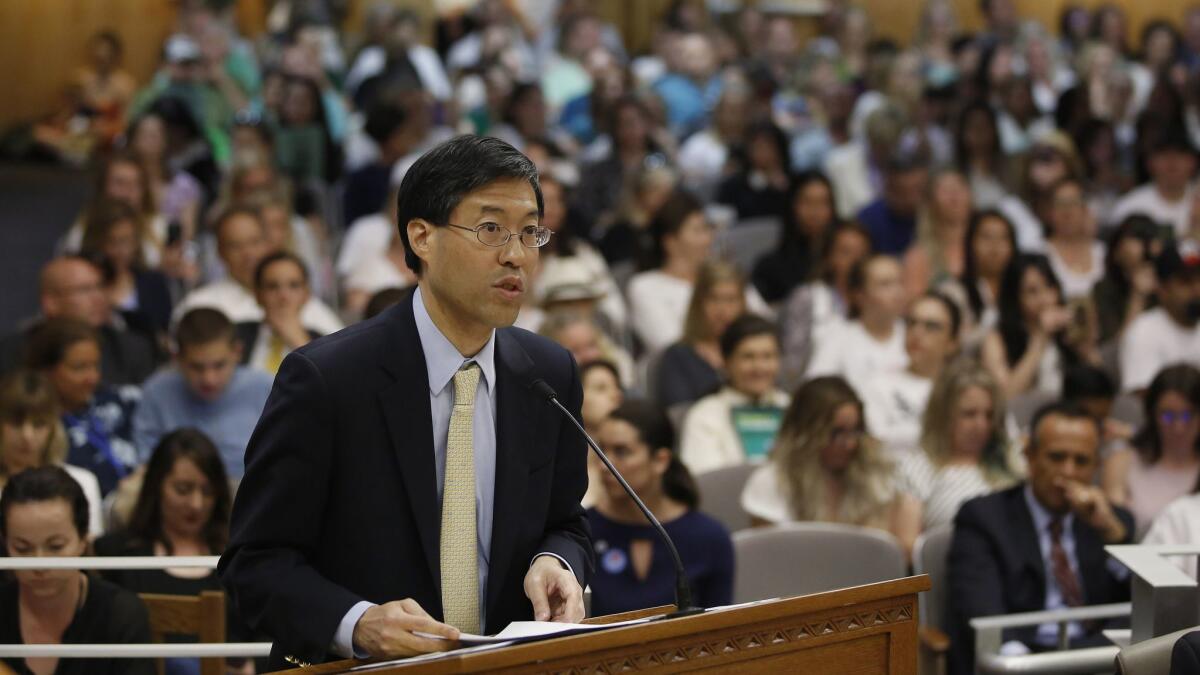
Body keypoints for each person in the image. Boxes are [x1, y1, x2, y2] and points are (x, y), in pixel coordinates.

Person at [219, 135, 592, 669]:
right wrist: (357, 623)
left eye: (530, 232)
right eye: (490, 229)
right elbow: (255, 563)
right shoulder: (327, 379)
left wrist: (559, 561)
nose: (516, 255)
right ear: (421, 236)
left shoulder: (548, 373)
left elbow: (567, 522)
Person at [946, 402, 1134, 674]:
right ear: (1030, 456)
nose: (1068, 472)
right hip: (1022, 657)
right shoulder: (984, 518)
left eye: (1081, 461)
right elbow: (982, 612)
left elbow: (1140, 609)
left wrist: (1111, 533)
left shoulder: (1113, 521)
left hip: (1095, 659)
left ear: (1097, 465)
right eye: (1057, 457)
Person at [95, 429, 241, 675]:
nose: (196, 504)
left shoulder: (238, 559)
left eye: (207, 492)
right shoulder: (116, 555)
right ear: (156, 486)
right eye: (183, 490)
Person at [0, 466, 154, 675]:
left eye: (55, 546)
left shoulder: (121, 615)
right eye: (22, 548)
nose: (39, 564)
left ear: (83, 540)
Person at [588, 400, 733, 615]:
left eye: (621, 452)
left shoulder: (709, 537)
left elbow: (724, 631)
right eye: (601, 451)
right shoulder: (582, 531)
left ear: (660, 460)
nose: (604, 465)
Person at [894, 362, 1021, 557]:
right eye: (969, 414)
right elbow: (908, 549)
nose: (982, 425)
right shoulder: (917, 468)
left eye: (988, 415)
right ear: (943, 416)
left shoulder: (1013, 463)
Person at [741, 376, 897, 532]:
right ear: (806, 434)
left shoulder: (871, 477)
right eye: (836, 433)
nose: (850, 444)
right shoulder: (771, 481)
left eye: (855, 431)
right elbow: (766, 552)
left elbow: (875, 548)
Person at [134, 309, 272, 481]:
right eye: (197, 367)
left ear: (237, 352)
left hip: (248, 490)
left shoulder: (265, 388)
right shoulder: (156, 391)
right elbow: (147, 464)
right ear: (178, 359)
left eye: (219, 365)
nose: (209, 379)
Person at [174, 207, 344, 337]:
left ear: (268, 244)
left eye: (254, 242)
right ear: (220, 252)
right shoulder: (198, 305)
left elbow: (339, 361)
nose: (248, 254)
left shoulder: (304, 303)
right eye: (236, 246)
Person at [23, 318, 139, 498]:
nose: (92, 378)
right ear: (45, 371)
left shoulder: (121, 401)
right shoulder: (38, 428)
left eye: (95, 365)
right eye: (79, 368)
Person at [0, 257, 157, 387]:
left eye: (100, 287)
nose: (98, 298)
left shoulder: (132, 349)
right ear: (51, 302)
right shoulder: (12, 353)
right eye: (84, 290)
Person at [679, 315, 789, 474]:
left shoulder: (793, 408)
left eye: (768, 356)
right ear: (726, 361)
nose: (759, 367)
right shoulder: (705, 414)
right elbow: (707, 483)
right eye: (748, 357)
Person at [0, 370, 103, 536]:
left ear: (53, 428)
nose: (27, 436)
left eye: (39, 424)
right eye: (16, 423)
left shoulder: (82, 482)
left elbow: (90, 554)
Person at [1102, 365, 1200, 539]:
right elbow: (1113, 532)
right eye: (1168, 416)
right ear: (1152, 414)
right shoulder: (1122, 463)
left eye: (1188, 415)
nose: (1179, 427)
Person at [981, 254, 1096, 399]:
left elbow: (1102, 390)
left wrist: (1085, 351)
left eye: (1049, 286)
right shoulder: (995, 339)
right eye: (1032, 291)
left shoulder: (1068, 330)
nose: (1044, 298)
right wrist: (1040, 339)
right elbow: (1005, 397)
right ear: (1015, 298)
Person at [861, 292, 961, 453]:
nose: (917, 332)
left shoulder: (964, 390)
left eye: (931, 326)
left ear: (953, 342)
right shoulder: (878, 384)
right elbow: (874, 444)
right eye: (911, 323)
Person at [779, 223, 871, 387]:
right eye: (846, 252)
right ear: (829, 257)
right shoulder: (809, 297)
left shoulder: (877, 302)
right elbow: (792, 362)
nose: (855, 261)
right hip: (814, 391)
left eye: (861, 254)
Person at [78, 198, 173, 347]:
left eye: (126, 241)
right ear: (95, 242)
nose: (120, 251)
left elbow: (165, 332)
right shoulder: (79, 285)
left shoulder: (153, 282)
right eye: (112, 242)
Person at [806, 254, 908, 386]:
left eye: (900, 282)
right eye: (885, 284)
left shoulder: (914, 334)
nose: (897, 292)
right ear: (859, 295)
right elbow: (815, 390)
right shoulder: (837, 337)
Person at [654, 261, 745, 408]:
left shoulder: (756, 353)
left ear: (743, 304)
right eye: (714, 299)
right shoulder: (678, 355)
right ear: (698, 304)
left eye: (731, 300)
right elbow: (679, 415)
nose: (722, 310)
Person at [1119, 243, 1200, 393]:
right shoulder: (1144, 331)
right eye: (1186, 281)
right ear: (1162, 289)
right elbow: (1142, 397)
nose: (1197, 290)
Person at [751, 171, 840, 304]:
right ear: (792, 206)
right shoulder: (770, 267)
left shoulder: (843, 259)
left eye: (823, 202)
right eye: (807, 202)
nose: (815, 211)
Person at [938, 209, 1017, 354]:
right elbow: (949, 344)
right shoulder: (952, 292)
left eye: (1003, 238)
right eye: (986, 237)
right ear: (970, 243)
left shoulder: (1022, 291)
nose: (995, 245)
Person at [237, 252, 320, 375]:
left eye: (294, 286)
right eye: (272, 286)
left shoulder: (324, 342)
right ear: (257, 294)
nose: (283, 296)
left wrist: (300, 342)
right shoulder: (235, 335)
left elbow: (332, 388)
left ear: (306, 294)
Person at [1111, 129, 1197, 241]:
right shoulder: (1130, 207)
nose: (1172, 162)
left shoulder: (1197, 198)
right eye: (1164, 154)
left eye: (1180, 154)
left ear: (1193, 161)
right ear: (1150, 162)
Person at [1092, 215, 1162, 345]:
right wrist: (1138, 296)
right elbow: (1117, 348)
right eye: (1136, 237)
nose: (1143, 245)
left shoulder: (1169, 285)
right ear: (1116, 251)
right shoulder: (1104, 290)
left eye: (1147, 238)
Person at [902, 169, 971, 299]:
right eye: (945, 190)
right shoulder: (918, 256)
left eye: (959, 188)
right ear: (930, 202)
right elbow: (913, 305)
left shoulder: (985, 246)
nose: (954, 195)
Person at [1041, 178, 1105, 300]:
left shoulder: (1103, 252)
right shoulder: (1038, 252)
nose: (1067, 212)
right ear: (1049, 211)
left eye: (1074, 203)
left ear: (1085, 209)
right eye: (1060, 204)